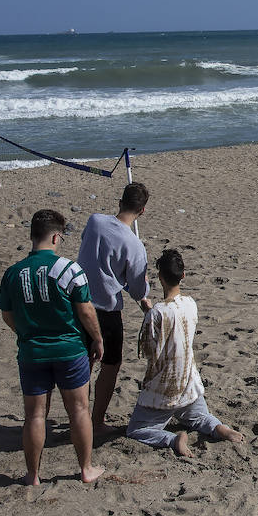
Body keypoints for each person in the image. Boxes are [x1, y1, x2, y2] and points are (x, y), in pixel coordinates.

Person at [0, 209, 105, 485]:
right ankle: (86, 468)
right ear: (56, 237)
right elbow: (86, 311)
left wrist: (25, 332)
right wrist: (97, 338)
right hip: (68, 349)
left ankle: (33, 474)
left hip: (33, 350)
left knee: (34, 415)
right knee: (79, 410)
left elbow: (7, 315)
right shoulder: (69, 269)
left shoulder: (13, 273)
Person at [127, 248, 244, 456]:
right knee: (199, 417)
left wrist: (147, 313)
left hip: (163, 386)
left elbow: (148, 350)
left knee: (137, 430)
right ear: (183, 275)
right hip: (188, 380)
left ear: (160, 278)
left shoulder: (157, 313)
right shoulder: (190, 303)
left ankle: (172, 439)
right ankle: (220, 428)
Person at [76, 182, 151, 432]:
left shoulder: (95, 221)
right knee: (110, 365)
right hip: (105, 310)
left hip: (79, 303)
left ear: (120, 202)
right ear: (142, 211)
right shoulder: (134, 245)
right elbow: (139, 290)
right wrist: (143, 289)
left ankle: (81, 417)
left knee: (84, 363)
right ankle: (95, 421)